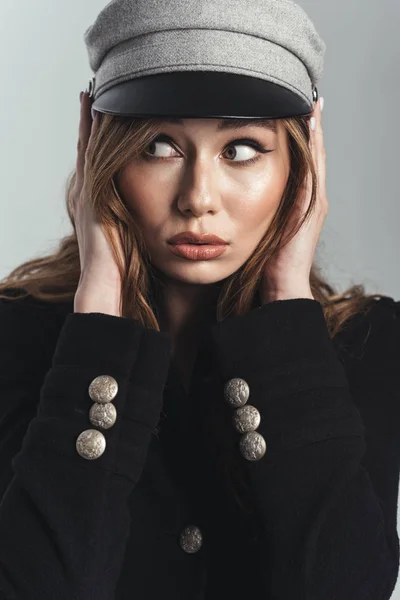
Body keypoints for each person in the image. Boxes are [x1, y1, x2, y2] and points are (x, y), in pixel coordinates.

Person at [0, 0, 399, 598]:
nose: (198, 198)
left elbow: (343, 586)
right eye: (159, 146)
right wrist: (100, 316)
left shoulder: (367, 341)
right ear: (99, 158)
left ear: (300, 165)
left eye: (241, 148)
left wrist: (288, 302)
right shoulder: (12, 334)